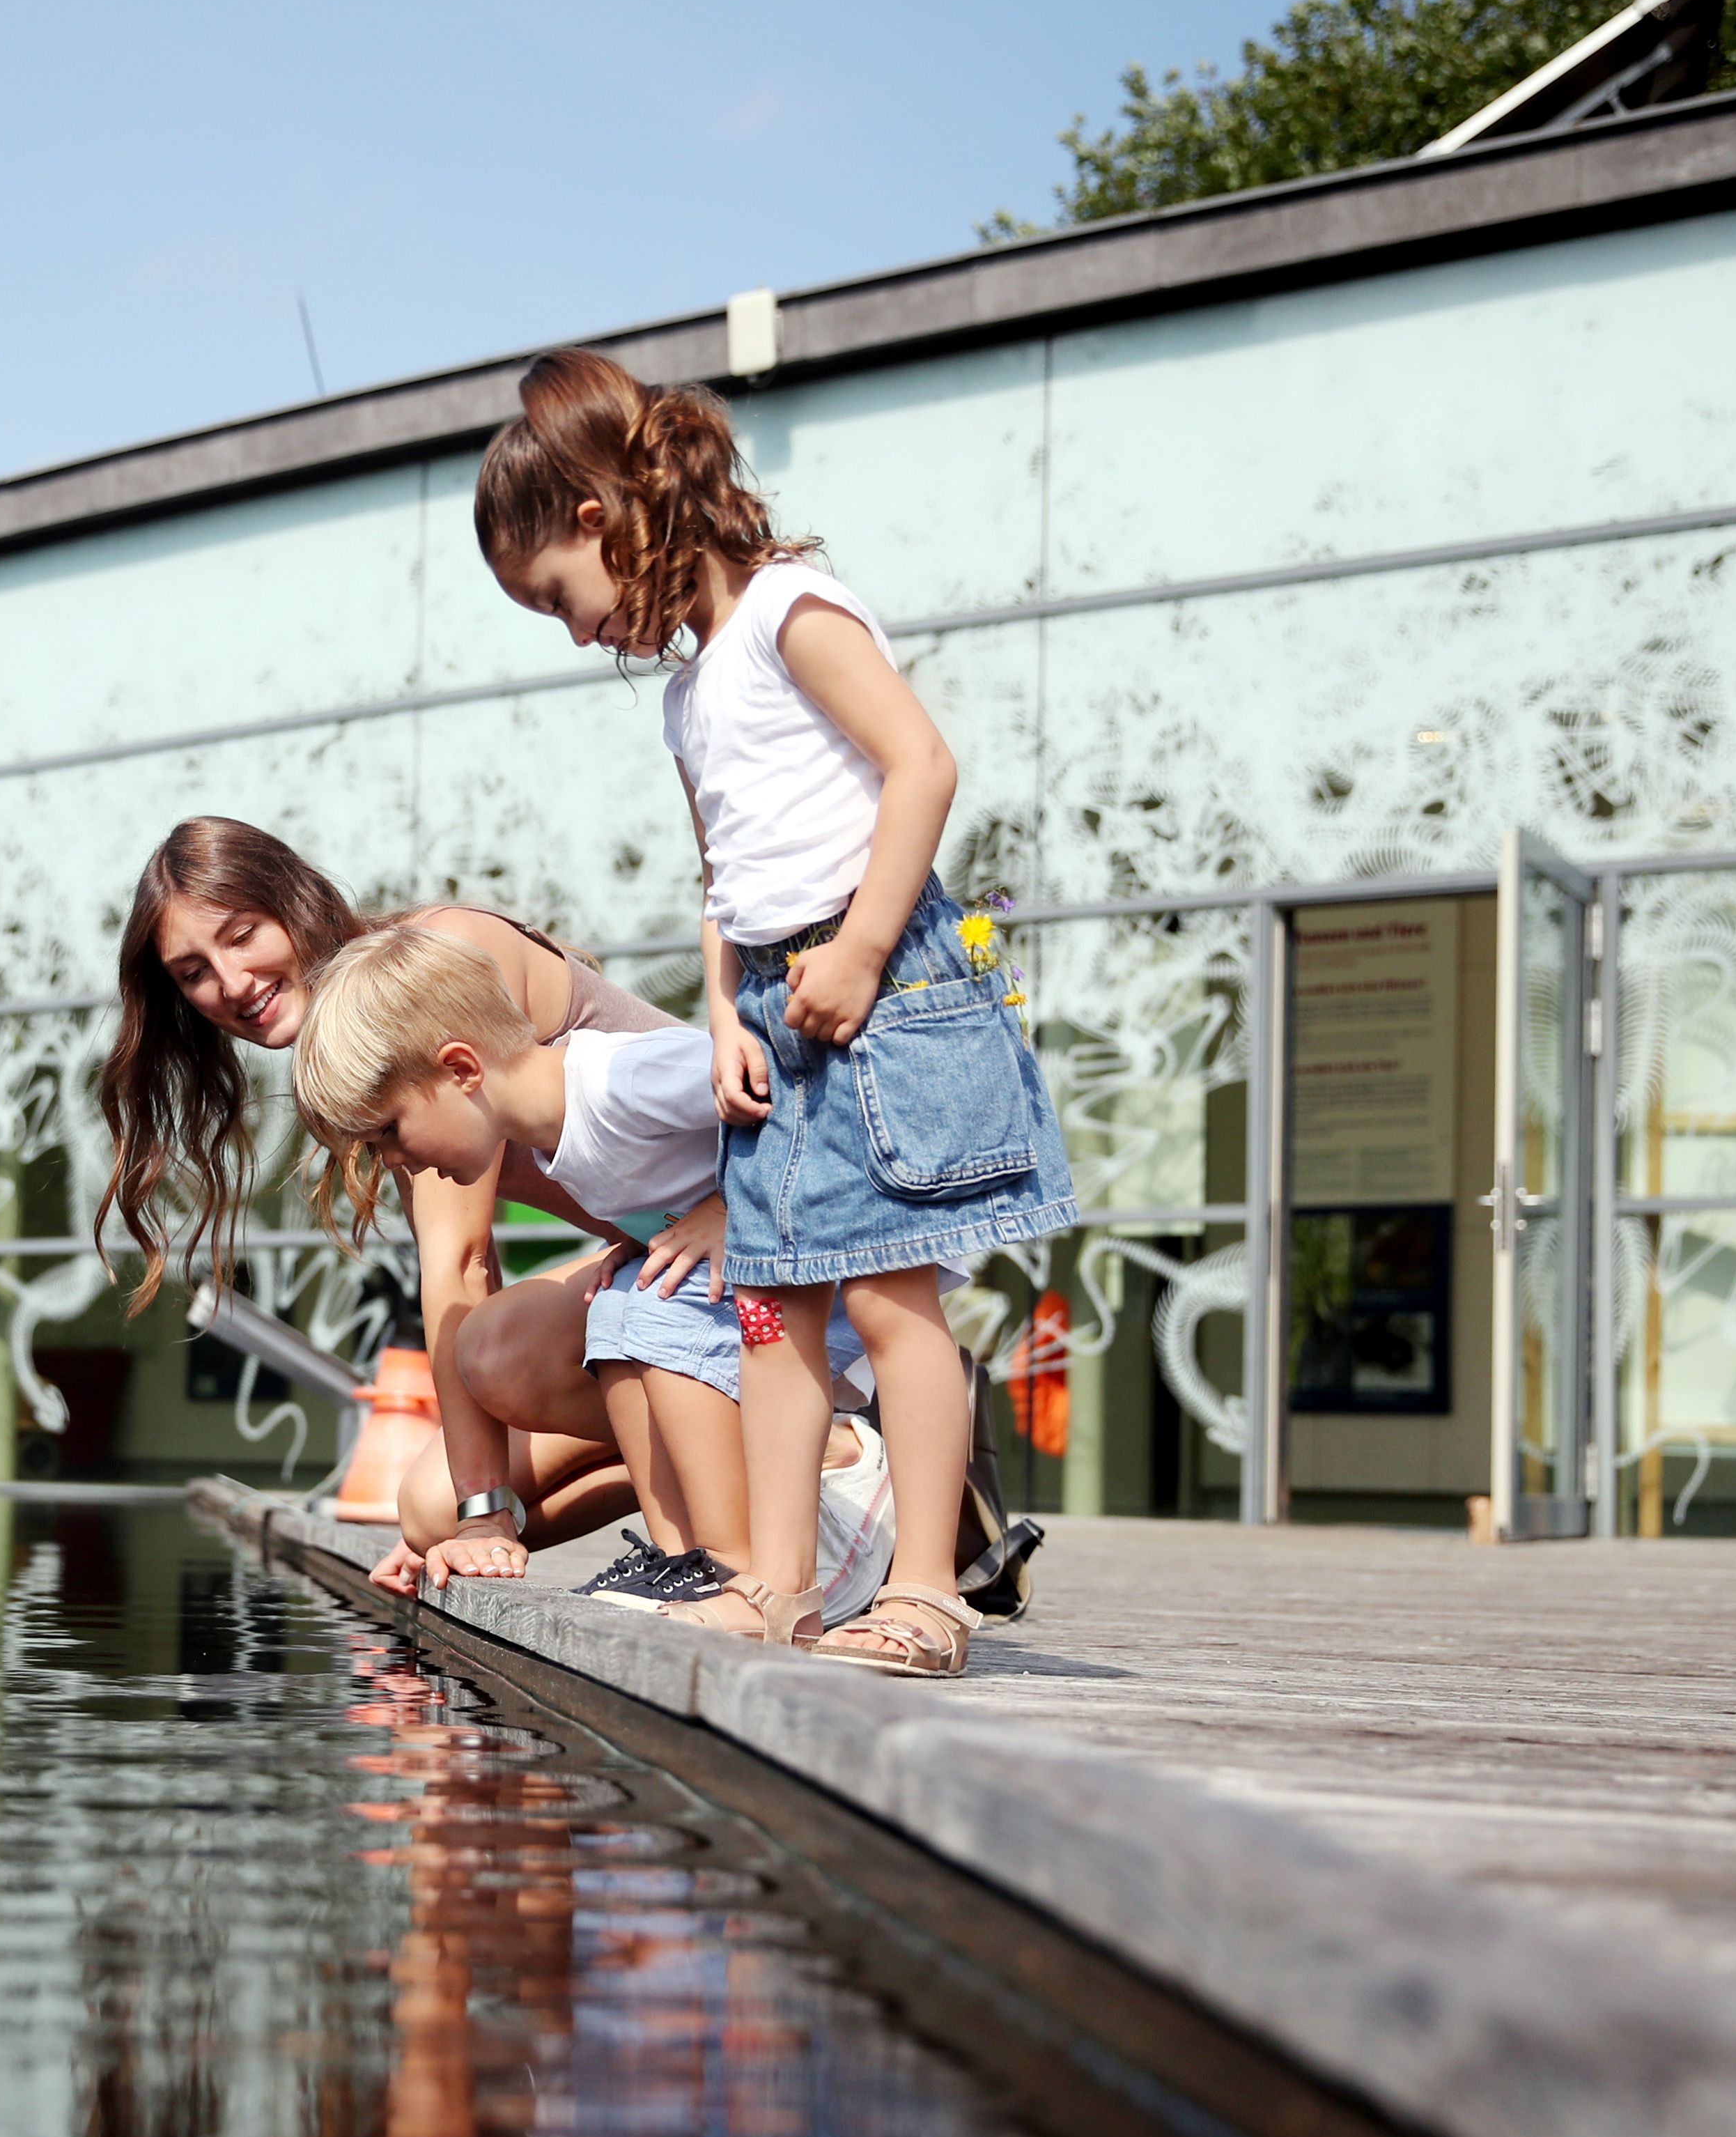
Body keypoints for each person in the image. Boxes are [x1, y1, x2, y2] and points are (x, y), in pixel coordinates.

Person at [476, 350, 1078, 1675]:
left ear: (602, 518)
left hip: (880, 985)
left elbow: (923, 764)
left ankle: (927, 1590)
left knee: (891, 1295)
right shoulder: (690, 694)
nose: (574, 634)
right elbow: (722, 878)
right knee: (769, 1305)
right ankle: (778, 1581)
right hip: (776, 1003)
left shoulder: (791, 611)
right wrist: (722, 1011)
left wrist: (858, 951)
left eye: (559, 597)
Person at [290, 923, 891, 1635]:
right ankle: (686, 1559)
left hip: (822, 1273)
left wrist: (727, 1208)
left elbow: (802, 1092)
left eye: (390, 1131)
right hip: (745, 1286)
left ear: (460, 1069)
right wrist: (639, 1240)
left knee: (651, 1315)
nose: (394, 1161)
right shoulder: (557, 1139)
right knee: (615, 1311)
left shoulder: (619, 1081)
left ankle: (745, 1567)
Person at [95, 817, 660, 1569]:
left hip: (756, 1247)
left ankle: (777, 1460)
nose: (231, 984)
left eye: (241, 935)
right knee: (429, 1510)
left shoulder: (426, 970)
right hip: (670, 1263)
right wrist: (468, 1518)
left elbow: (460, 1262)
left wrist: (485, 1520)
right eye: (194, 972)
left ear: (293, 900)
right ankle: (751, 1472)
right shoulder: (359, 1026)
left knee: (496, 1365)